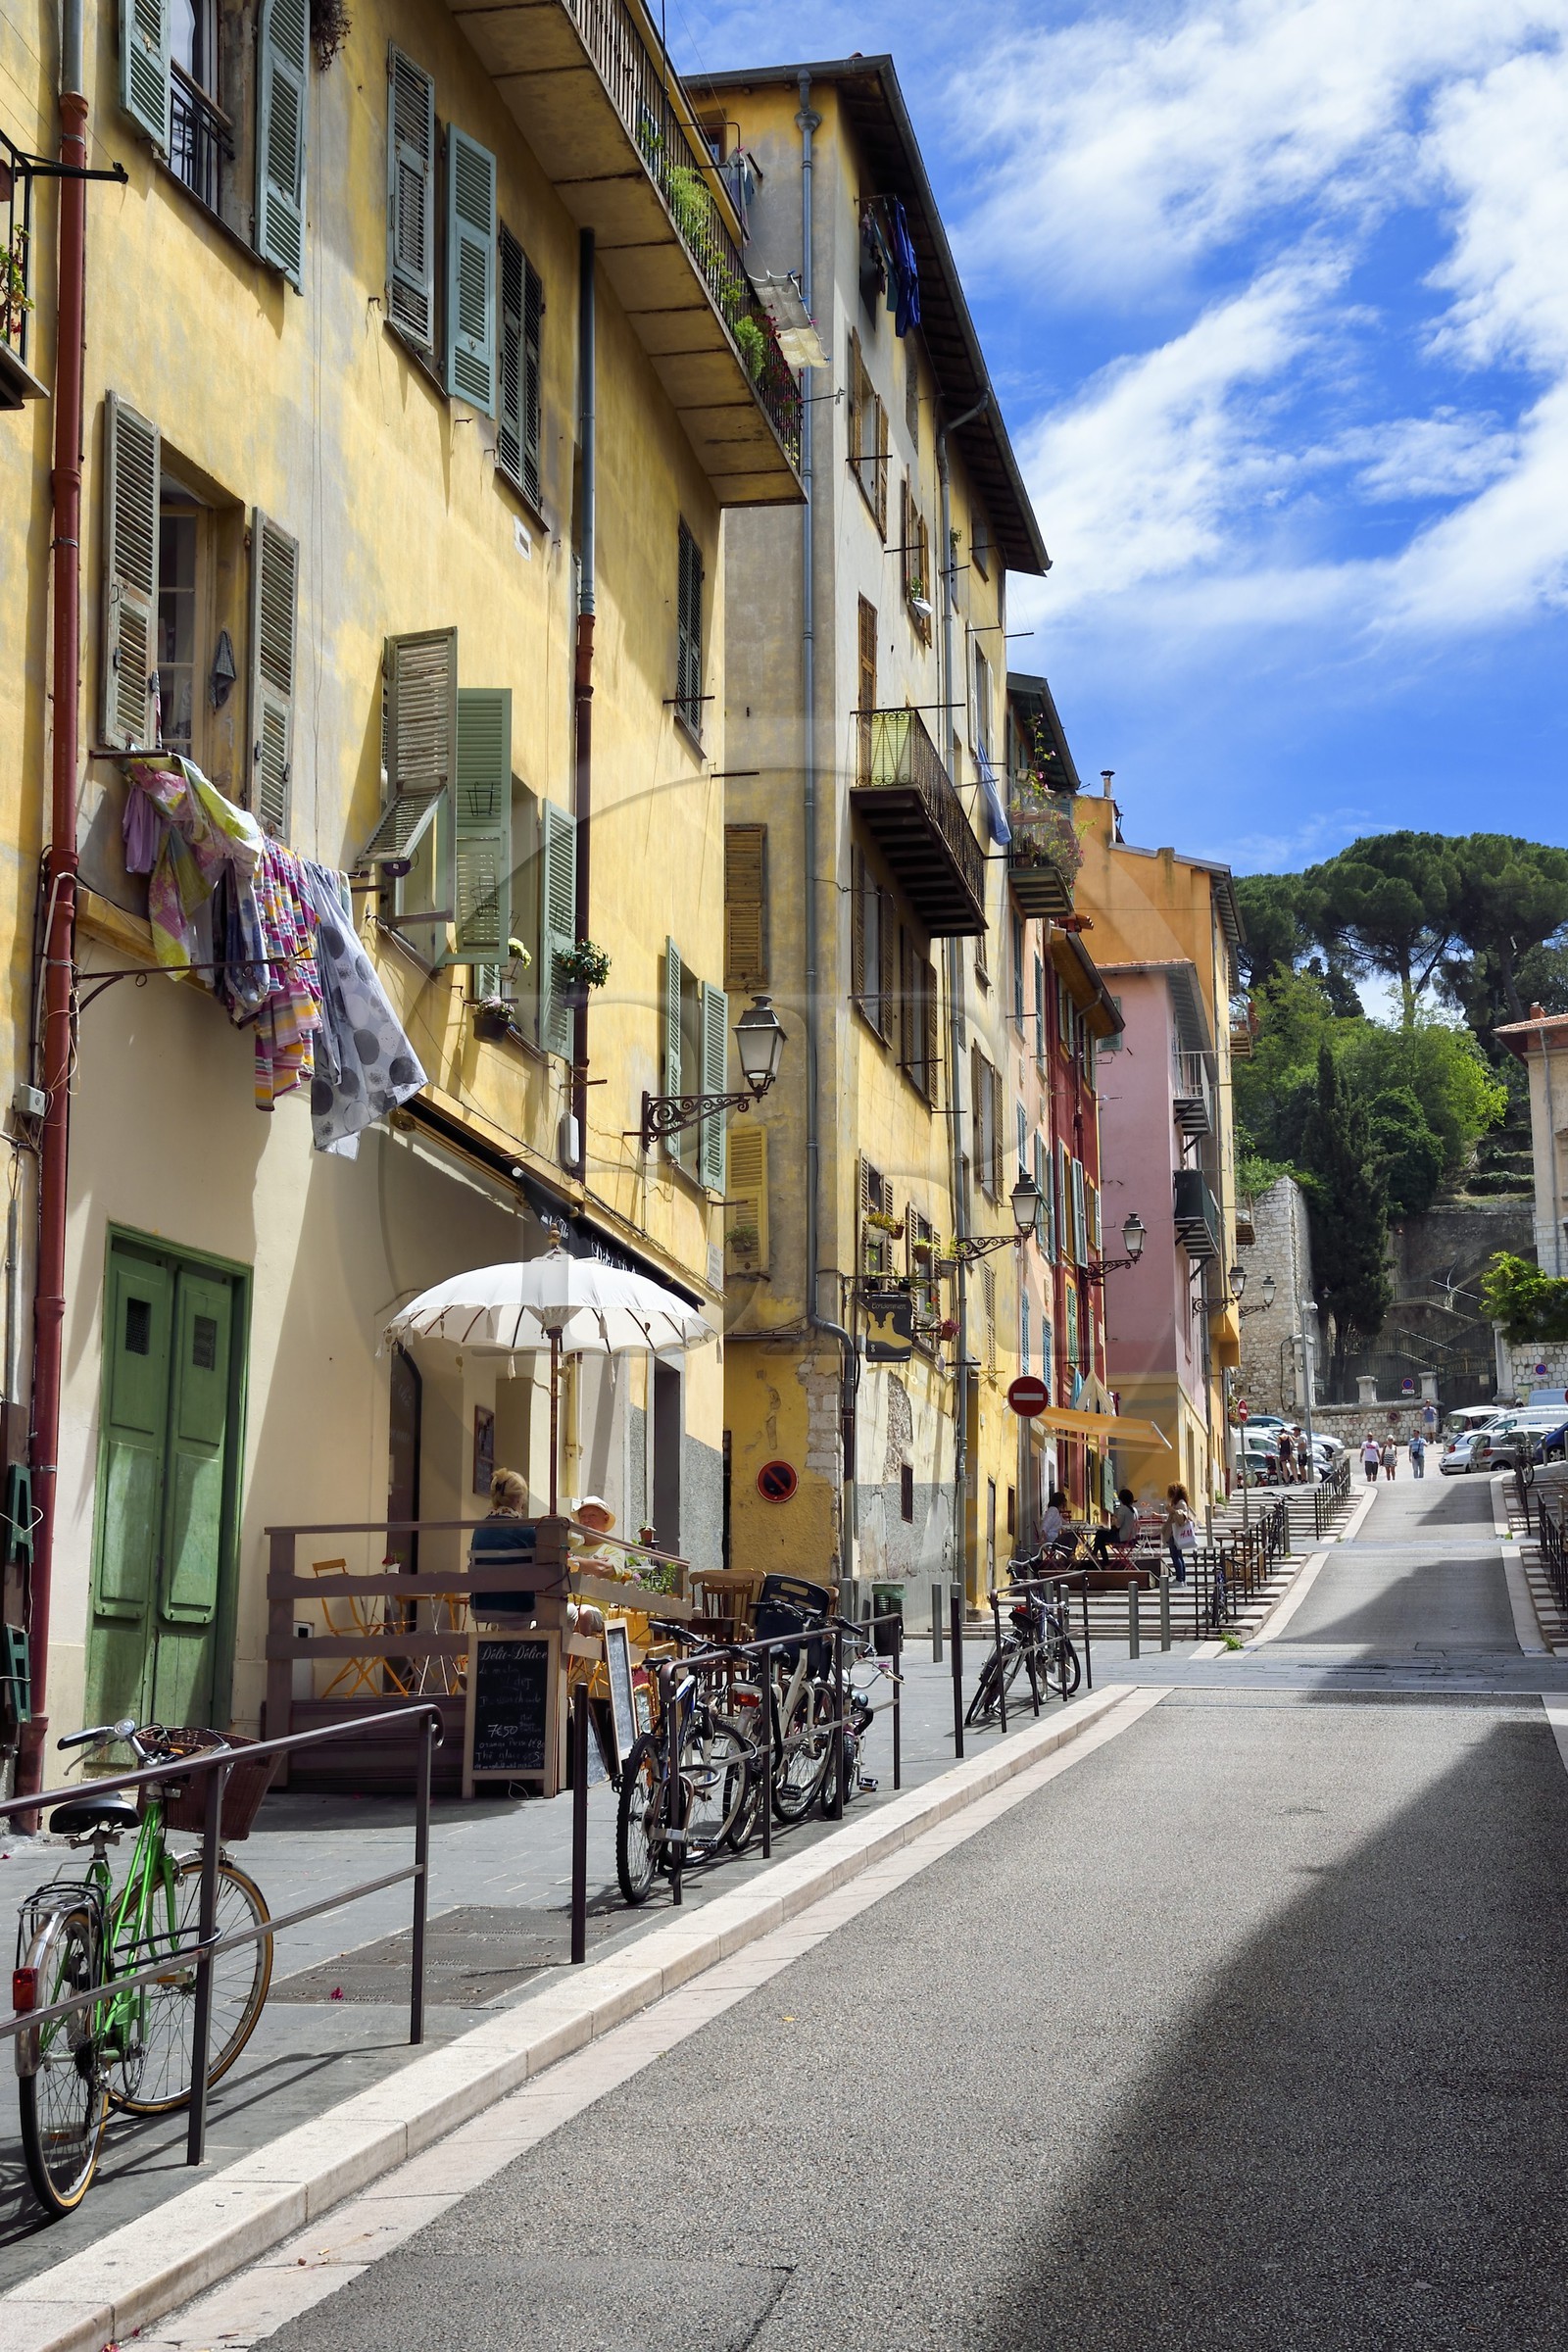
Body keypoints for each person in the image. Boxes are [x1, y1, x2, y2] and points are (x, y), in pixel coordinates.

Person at [468, 1468, 537, 1623]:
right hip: (520, 1607)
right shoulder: (527, 1530)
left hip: (481, 1607)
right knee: (570, 1612)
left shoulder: (479, 1530)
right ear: (520, 1499)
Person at [1093, 1488, 1140, 1565]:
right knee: (1100, 1538)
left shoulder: (1123, 1509)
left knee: (1099, 1534)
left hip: (1122, 1538)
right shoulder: (1134, 1510)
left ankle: (1098, 1557)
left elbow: (1118, 1525)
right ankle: (1100, 1559)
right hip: (1131, 1538)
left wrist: (1114, 1518)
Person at [1163, 1483, 1198, 1583]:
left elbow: (1182, 1517)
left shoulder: (1181, 1503)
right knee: (1177, 1555)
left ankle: (1180, 1579)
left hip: (1176, 1532)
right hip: (1173, 1532)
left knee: (1176, 1555)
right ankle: (1181, 1578)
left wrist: (1172, 1510)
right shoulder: (1178, 1503)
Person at [1041, 1488, 1068, 1553]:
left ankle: (1068, 1556)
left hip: (1053, 1539)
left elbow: (1065, 1524)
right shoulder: (1053, 1511)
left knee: (1069, 1537)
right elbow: (1045, 1525)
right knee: (1071, 1538)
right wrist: (1043, 1537)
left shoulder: (1055, 1512)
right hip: (1052, 1540)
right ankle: (1069, 1555)